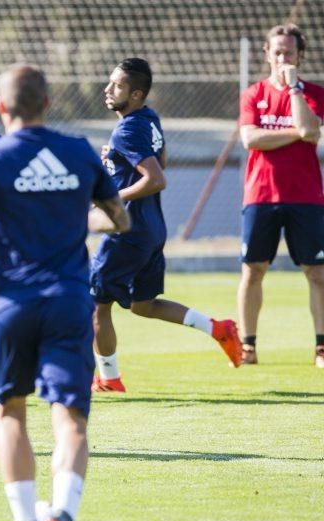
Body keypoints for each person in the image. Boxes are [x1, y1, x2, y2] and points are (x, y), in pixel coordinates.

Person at [0, 64, 130, 521]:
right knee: (70, 418)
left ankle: (24, 520)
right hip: (70, 301)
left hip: (9, 302)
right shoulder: (77, 152)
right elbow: (118, 218)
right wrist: (76, 220)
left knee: (10, 411)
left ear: (1, 107)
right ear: (48, 104)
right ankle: (64, 515)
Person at [89, 58, 243, 393]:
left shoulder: (128, 129)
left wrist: (111, 199)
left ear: (136, 94)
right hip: (151, 228)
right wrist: (118, 161)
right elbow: (161, 161)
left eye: (116, 85)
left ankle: (109, 379)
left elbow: (156, 178)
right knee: (143, 305)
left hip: (126, 230)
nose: (107, 89)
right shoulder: (147, 118)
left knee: (95, 304)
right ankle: (218, 328)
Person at [238, 23, 324, 367]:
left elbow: (310, 129)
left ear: (300, 56)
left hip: (306, 197)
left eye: (289, 52)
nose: (282, 58)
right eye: (277, 51)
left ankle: (321, 347)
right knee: (253, 270)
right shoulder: (252, 94)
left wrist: (294, 92)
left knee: (317, 273)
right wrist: (297, 133)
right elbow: (250, 139)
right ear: (266, 54)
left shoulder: (315, 93)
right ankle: (248, 347)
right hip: (260, 195)